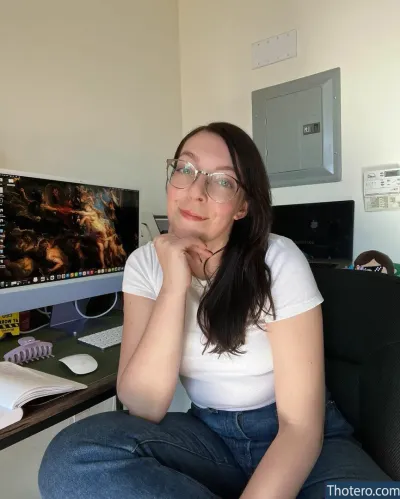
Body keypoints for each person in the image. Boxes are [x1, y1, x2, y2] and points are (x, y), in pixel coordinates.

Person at [38, 122, 390, 499]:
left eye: (222, 181)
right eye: (185, 170)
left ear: (243, 206)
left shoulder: (278, 259)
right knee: (71, 460)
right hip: (210, 438)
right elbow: (144, 406)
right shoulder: (144, 264)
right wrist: (174, 285)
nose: (195, 191)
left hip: (301, 440)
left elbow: (300, 428)